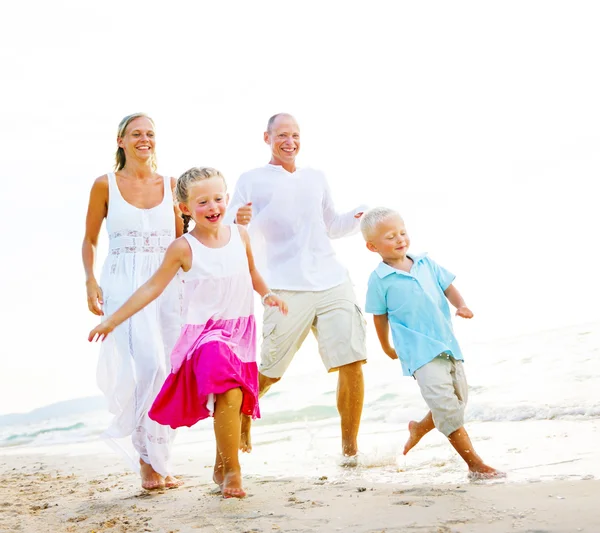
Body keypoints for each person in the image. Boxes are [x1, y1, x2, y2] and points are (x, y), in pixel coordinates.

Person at [89, 166, 288, 499]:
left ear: (226, 198)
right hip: (203, 335)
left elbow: (251, 271)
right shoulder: (183, 247)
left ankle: (222, 465)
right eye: (202, 202)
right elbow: (151, 288)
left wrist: (267, 294)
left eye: (218, 199)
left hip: (239, 328)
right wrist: (112, 319)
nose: (212, 208)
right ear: (184, 209)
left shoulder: (240, 235)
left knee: (233, 396)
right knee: (225, 380)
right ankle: (233, 474)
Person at [227, 113, 368, 462]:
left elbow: (332, 225)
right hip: (285, 287)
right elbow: (227, 228)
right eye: (282, 135)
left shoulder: (315, 177)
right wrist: (236, 221)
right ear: (267, 138)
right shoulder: (251, 179)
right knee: (270, 371)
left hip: (332, 280)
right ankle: (244, 414)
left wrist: (361, 214)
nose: (289, 142)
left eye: (295, 135)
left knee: (352, 361)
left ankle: (350, 452)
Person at [360, 207, 505, 479]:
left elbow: (448, 287)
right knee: (447, 407)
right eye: (390, 237)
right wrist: (386, 346)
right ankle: (475, 464)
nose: (400, 239)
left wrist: (461, 305)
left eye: (402, 232)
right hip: (418, 353)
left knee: (458, 401)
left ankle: (419, 428)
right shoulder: (379, 279)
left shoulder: (427, 263)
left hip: (447, 344)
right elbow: (379, 316)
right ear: (372, 246)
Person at [82, 113, 184, 490]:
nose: (145, 139)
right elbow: (90, 239)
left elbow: (181, 241)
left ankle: (160, 460)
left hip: (167, 286)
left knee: (169, 369)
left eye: (150, 134)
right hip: (123, 284)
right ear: (120, 141)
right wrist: (90, 279)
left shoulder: (171, 185)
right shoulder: (104, 185)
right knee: (148, 366)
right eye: (136, 133)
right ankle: (148, 461)